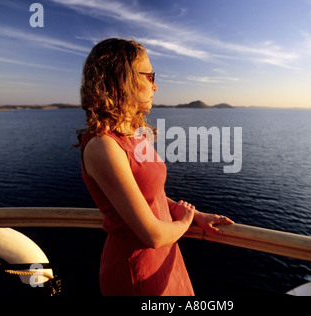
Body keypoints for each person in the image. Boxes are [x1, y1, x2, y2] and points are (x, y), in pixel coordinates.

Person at [76, 38, 234, 296]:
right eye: (149, 76)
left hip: (166, 260)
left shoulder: (133, 135)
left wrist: (195, 216)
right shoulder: (103, 146)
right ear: (122, 78)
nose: (155, 85)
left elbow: (149, 196)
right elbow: (153, 235)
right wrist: (184, 222)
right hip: (137, 273)